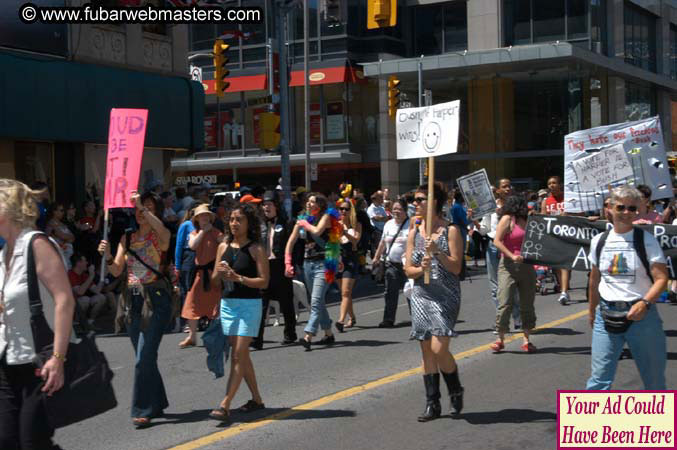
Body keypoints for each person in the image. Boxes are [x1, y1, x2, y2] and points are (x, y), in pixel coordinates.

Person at [0, 178, 75, 449]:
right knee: (6, 440)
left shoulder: (38, 244)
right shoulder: (4, 252)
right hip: (8, 361)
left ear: (8, 207)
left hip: (38, 362)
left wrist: (58, 358)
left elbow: (64, 300)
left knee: (33, 442)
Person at [98, 190, 172, 428]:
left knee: (143, 359)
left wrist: (141, 203)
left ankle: (142, 409)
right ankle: (158, 401)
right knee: (145, 358)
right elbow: (117, 271)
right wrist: (108, 256)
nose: (140, 211)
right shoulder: (127, 238)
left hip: (156, 298)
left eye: (147, 207)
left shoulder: (160, 235)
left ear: (155, 211)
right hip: (133, 300)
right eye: (138, 208)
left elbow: (163, 233)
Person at [587, 186, 668, 389]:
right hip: (606, 315)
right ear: (610, 208)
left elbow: (661, 279)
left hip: (642, 317)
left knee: (654, 379)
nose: (626, 213)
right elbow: (594, 281)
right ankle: (588, 421)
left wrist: (645, 303)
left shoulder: (646, 241)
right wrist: (592, 312)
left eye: (632, 208)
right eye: (621, 207)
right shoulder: (599, 241)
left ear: (637, 211)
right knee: (599, 380)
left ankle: (657, 421)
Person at [404, 182, 464, 422]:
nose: (415, 204)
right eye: (414, 200)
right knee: (427, 349)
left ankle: (455, 387)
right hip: (421, 293)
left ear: (435, 202)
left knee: (440, 349)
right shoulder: (414, 232)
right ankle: (433, 403)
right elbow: (408, 270)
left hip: (446, 294)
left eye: (420, 200)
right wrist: (420, 269)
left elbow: (457, 267)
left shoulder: (451, 231)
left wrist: (438, 252)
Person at [209, 204, 269, 422]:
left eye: (239, 220)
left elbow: (264, 281)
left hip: (249, 306)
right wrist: (221, 273)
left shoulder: (256, 248)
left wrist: (238, 278)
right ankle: (257, 399)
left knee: (237, 354)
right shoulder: (222, 246)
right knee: (242, 355)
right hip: (228, 305)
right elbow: (214, 281)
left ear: (248, 223)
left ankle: (225, 404)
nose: (234, 223)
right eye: (232, 219)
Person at [284, 193, 337, 351]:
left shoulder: (326, 217)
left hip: (325, 264)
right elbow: (291, 241)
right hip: (308, 265)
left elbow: (318, 231)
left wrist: (303, 223)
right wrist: (287, 262)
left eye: (313, 201)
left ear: (320, 205)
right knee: (318, 301)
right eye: (308, 201)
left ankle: (308, 334)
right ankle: (328, 333)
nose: (309, 203)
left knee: (315, 300)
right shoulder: (302, 218)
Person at [490, 194, 538, 354]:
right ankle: (500, 338)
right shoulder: (507, 219)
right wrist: (511, 256)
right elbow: (496, 241)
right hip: (508, 265)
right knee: (505, 302)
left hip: (527, 265)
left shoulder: (529, 220)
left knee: (527, 304)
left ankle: (526, 340)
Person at [253, 191, 297, 348]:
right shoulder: (259, 225)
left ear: (276, 206)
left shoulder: (287, 223)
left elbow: (295, 245)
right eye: (264, 204)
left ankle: (290, 334)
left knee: (286, 302)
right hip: (264, 267)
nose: (266, 207)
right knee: (261, 304)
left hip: (281, 265)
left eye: (269, 204)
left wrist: (291, 264)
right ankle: (257, 339)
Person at [477, 179, 521, 332]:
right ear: (498, 190)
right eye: (504, 186)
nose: (508, 189)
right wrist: (474, 221)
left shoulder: (517, 205)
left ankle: (518, 318)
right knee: (495, 286)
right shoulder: (490, 206)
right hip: (493, 247)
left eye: (509, 185)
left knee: (511, 285)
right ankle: (501, 321)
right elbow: (484, 229)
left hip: (511, 248)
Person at [179, 204, 223, 348]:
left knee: (216, 304)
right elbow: (193, 246)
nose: (204, 218)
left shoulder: (217, 233)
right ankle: (192, 336)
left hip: (213, 273)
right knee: (191, 302)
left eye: (206, 215)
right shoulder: (194, 233)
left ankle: (217, 334)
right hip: (198, 273)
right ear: (197, 219)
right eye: (201, 216)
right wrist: (203, 232)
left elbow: (225, 245)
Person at [373, 198, 409, 328]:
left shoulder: (411, 224)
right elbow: (383, 242)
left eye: (399, 209)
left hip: (408, 265)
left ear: (405, 210)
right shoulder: (388, 224)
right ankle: (388, 319)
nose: (396, 212)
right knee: (390, 292)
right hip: (391, 264)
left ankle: (417, 317)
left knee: (410, 291)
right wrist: (376, 257)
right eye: (394, 209)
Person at [541, 176, 570, 305]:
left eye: (554, 183)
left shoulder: (568, 199)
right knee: (559, 265)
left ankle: (564, 291)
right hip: (554, 236)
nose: (551, 185)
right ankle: (564, 287)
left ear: (560, 185)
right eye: (549, 183)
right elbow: (542, 218)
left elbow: (580, 214)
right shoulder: (546, 201)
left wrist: (568, 215)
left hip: (569, 235)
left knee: (564, 264)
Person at [335, 198, 362, 331]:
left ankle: (340, 320)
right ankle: (352, 317)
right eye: (341, 209)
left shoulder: (356, 224)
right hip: (338, 261)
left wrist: (344, 231)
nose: (344, 211)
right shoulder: (335, 224)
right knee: (345, 293)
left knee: (346, 292)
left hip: (350, 260)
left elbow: (356, 241)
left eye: (347, 209)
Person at [174, 202, 199, 332]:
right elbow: (178, 246)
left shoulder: (204, 226)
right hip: (188, 257)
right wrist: (177, 266)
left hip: (201, 258)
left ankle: (198, 320)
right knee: (187, 289)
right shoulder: (186, 225)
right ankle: (187, 322)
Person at [68, 253, 107, 330]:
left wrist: (103, 277)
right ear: (78, 263)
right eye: (85, 261)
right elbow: (80, 292)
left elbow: (97, 291)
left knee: (101, 298)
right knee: (85, 300)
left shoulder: (84, 275)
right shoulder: (70, 274)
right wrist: (91, 276)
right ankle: (76, 325)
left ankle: (89, 323)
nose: (87, 263)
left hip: (80, 304)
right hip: (70, 306)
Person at [46, 202, 75, 269]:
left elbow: (73, 238)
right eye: (61, 210)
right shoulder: (51, 223)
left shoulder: (62, 224)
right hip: (58, 254)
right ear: (54, 211)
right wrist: (67, 237)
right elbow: (61, 235)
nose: (63, 212)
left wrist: (67, 237)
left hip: (67, 255)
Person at [367, 191, 388, 256]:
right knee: (376, 248)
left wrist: (380, 218)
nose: (382, 199)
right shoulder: (370, 208)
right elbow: (375, 218)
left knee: (383, 248)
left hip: (383, 230)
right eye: (380, 197)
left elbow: (386, 218)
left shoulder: (382, 208)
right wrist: (381, 218)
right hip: (376, 231)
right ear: (375, 199)